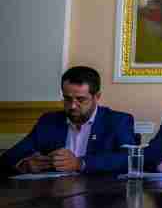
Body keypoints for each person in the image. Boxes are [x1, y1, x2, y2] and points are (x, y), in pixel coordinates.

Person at [0, 66, 135, 174]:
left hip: (100, 197)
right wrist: (24, 165)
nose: (72, 106)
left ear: (97, 97)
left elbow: (129, 160)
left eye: (81, 99)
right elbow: (8, 158)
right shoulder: (49, 121)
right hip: (53, 197)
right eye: (67, 99)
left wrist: (79, 163)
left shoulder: (118, 121)